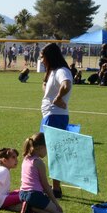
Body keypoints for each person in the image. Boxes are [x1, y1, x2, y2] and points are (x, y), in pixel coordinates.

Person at [38, 43, 73, 197]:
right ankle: (54, 188)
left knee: (49, 151)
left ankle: (54, 188)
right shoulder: (53, 71)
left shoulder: (62, 71)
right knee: (49, 151)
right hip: (50, 115)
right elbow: (47, 90)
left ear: (50, 56)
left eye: (42, 57)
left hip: (55, 116)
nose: (41, 60)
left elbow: (66, 84)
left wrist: (59, 98)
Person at [18, 133, 64, 213]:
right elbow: (45, 185)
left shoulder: (26, 158)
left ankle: (29, 205)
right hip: (34, 195)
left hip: (22, 194)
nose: (47, 152)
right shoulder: (39, 162)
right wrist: (56, 204)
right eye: (47, 148)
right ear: (41, 147)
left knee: (47, 205)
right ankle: (31, 208)